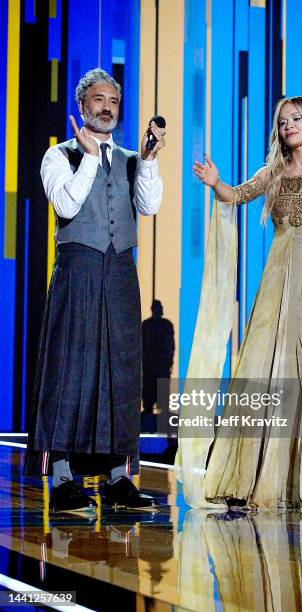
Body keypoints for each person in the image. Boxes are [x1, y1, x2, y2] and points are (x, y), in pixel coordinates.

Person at [176, 96, 302, 511]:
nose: (288, 126)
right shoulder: (273, 173)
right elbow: (235, 195)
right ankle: (257, 482)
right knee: (266, 373)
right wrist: (216, 183)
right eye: (282, 122)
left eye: (295, 119)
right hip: (277, 285)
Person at [24, 68, 165, 513]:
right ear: (82, 106)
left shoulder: (129, 157)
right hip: (79, 270)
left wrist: (150, 160)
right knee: (70, 371)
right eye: (98, 100)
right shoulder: (58, 155)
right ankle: (63, 477)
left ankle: (119, 479)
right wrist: (88, 157)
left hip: (120, 269)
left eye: (113, 102)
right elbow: (65, 205)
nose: (107, 108)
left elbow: (149, 205)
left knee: (121, 374)